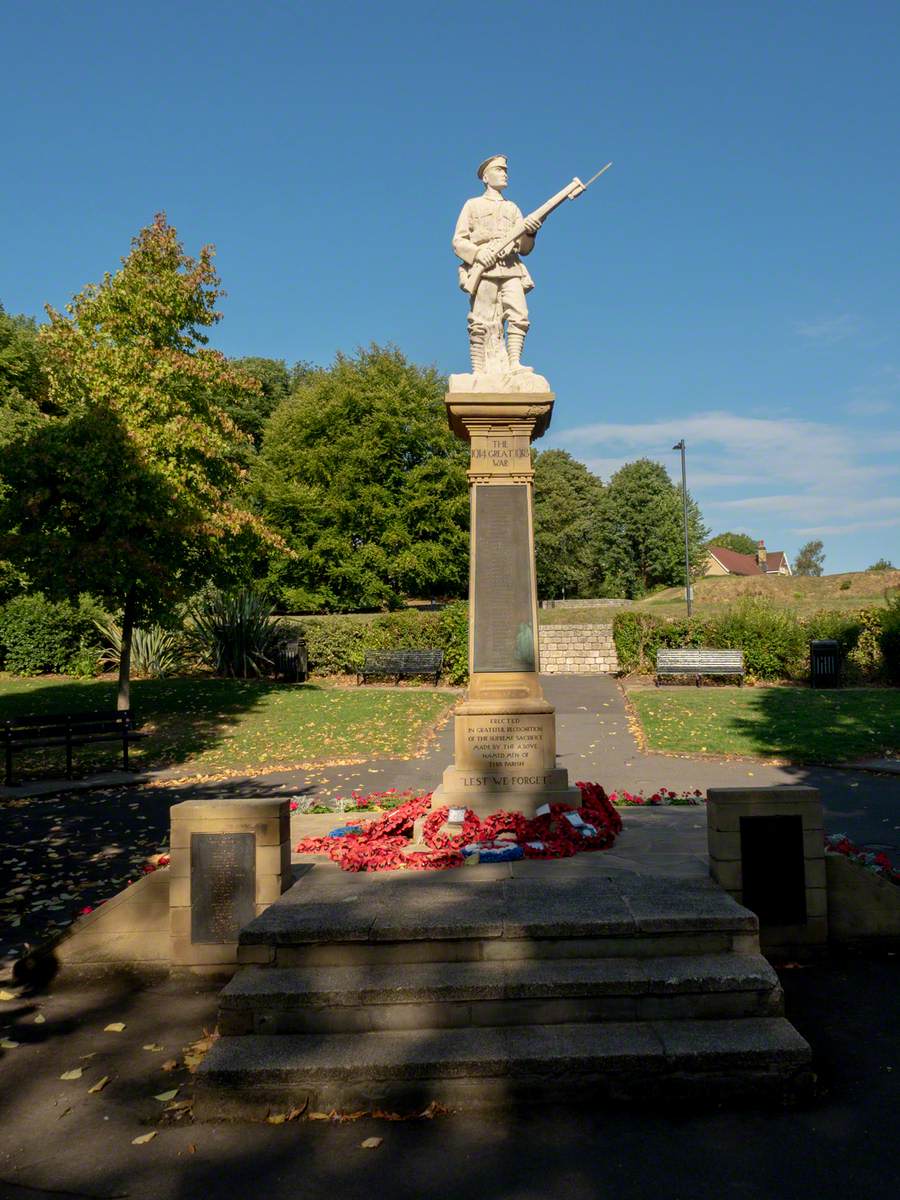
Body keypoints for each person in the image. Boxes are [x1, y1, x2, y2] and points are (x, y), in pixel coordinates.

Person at [452, 155, 542, 374]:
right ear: (486, 176)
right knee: (479, 320)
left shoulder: (512, 208)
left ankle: (514, 364)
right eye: (499, 169)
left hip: (510, 268)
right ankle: (479, 370)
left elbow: (525, 248)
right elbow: (458, 241)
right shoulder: (472, 205)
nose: (505, 174)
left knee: (519, 315)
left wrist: (531, 231)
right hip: (485, 269)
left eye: (505, 170)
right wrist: (478, 253)